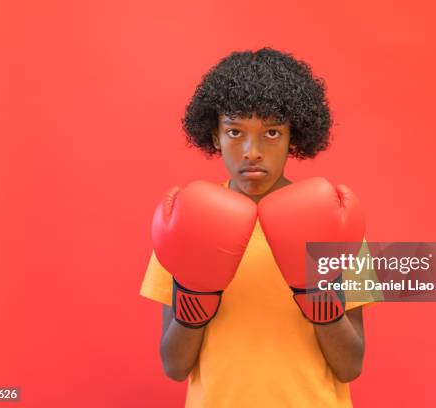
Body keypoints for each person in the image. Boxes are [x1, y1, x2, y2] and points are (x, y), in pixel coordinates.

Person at [141, 48, 374, 407]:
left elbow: (350, 365)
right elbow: (174, 366)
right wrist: (195, 299)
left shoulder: (332, 222)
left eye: (271, 133)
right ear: (215, 136)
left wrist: (319, 296)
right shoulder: (188, 221)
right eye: (235, 131)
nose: (252, 151)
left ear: (292, 137)